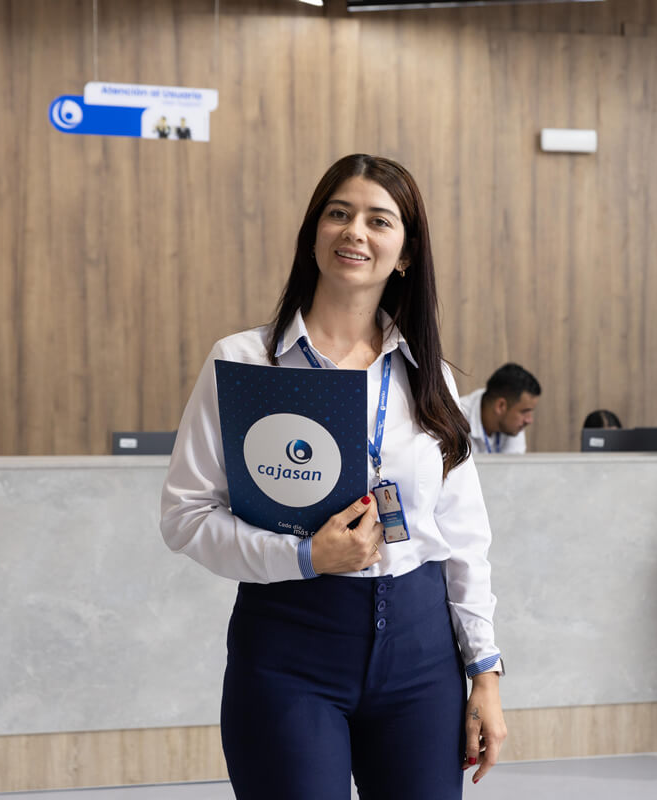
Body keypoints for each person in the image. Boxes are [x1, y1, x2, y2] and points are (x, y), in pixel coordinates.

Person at [160, 154, 505, 799]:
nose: (355, 232)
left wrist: (483, 670)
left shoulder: (432, 378)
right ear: (314, 234)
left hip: (422, 653)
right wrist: (303, 555)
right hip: (291, 646)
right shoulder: (244, 363)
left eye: (380, 220)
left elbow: (463, 534)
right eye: (338, 214)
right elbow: (185, 515)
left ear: (404, 253)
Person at [459, 363, 540, 454]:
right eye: (524, 411)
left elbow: (514, 467)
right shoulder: (455, 419)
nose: (529, 420)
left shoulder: (513, 425)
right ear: (501, 406)